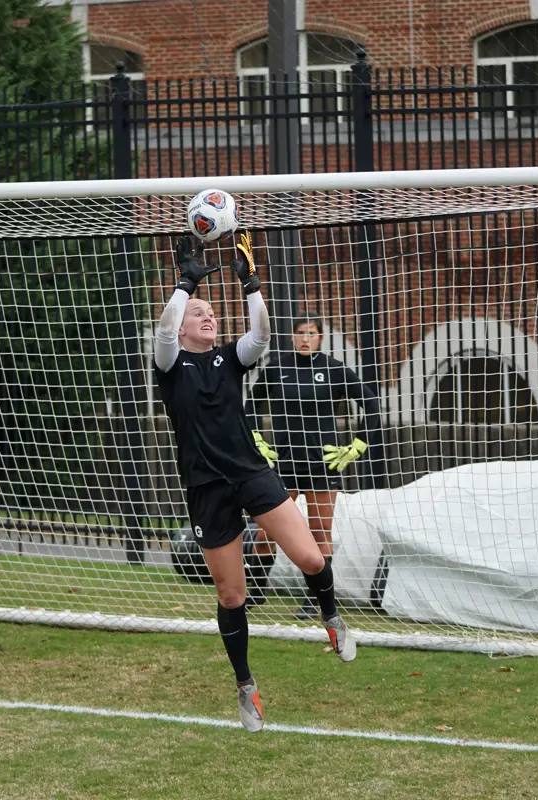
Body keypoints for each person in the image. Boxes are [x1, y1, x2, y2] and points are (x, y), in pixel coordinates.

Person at [154, 231, 356, 734]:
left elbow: (261, 335)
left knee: (311, 556)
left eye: (211, 313)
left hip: (251, 473)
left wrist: (251, 283)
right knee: (231, 596)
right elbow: (162, 331)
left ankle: (330, 618)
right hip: (206, 490)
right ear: (182, 328)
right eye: (198, 313)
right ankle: (246, 685)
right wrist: (185, 283)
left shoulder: (228, 359)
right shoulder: (171, 363)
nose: (208, 317)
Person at [245, 316, 380, 619]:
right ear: (293, 338)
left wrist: (356, 446)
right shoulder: (278, 369)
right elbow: (250, 405)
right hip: (284, 464)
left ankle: (315, 601)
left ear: (320, 339)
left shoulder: (334, 370)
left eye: (312, 334)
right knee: (267, 533)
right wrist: (257, 440)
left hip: (322, 464)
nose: (305, 339)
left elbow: (371, 404)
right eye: (300, 334)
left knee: (320, 532)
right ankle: (255, 593)